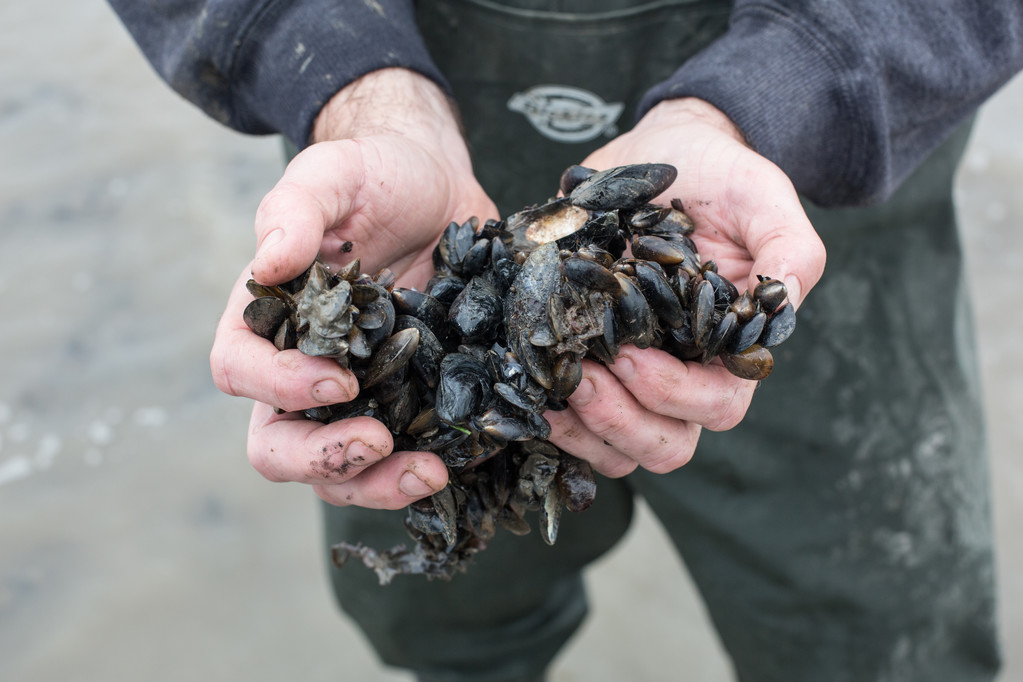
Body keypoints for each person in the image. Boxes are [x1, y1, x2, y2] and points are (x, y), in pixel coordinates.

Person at [110, 1, 1023, 680]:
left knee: (883, 645)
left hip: (780, 187)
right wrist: (354, 84)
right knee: (453, 629)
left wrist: (784, 90)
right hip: (405, 205)